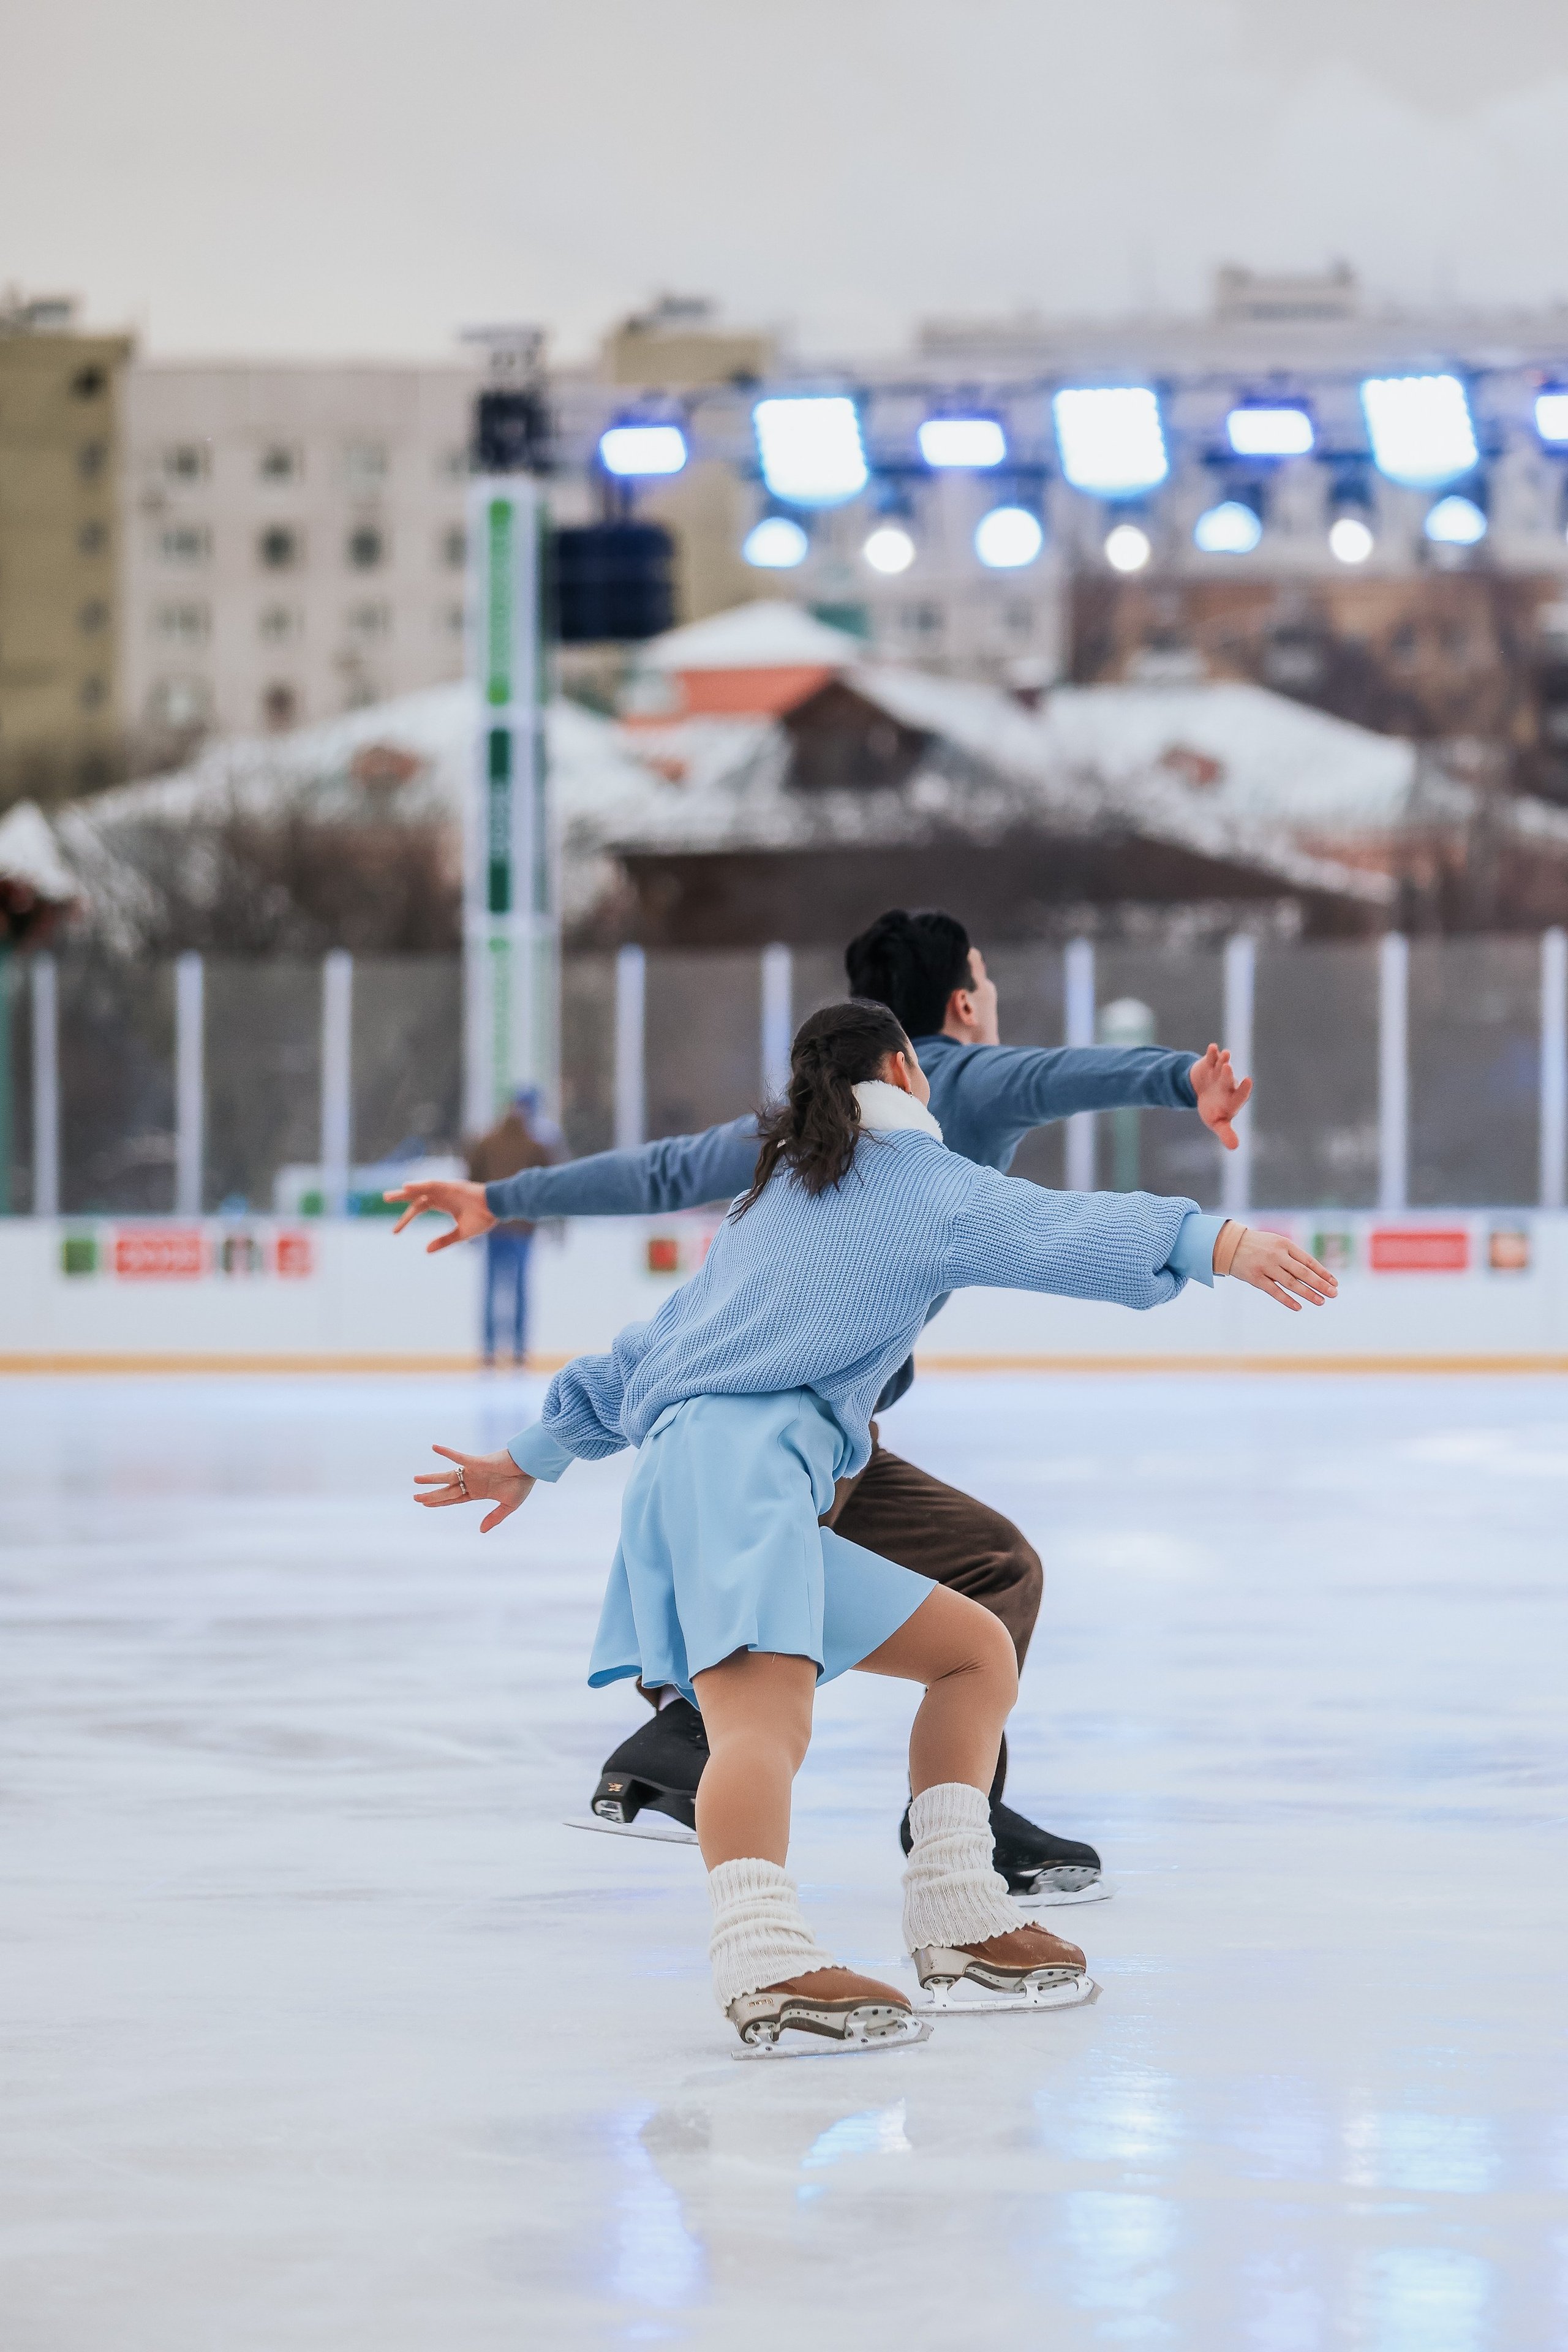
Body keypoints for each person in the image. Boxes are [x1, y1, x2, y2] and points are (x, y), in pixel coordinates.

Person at [412, 1001, 1335, 2052]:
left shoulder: (775, 1194)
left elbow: (649, 1346)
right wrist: (1214, 1240)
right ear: (904, 1066)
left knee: (974, 1653)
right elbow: (1050, 1227)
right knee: (763, 1724)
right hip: (742, 1471)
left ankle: (954, 1908)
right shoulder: (913, 1180)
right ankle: (762, 1957)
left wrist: (533, 1455)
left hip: (715, 1470)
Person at [463, 1088, 561, 1367]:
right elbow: (550, 1186)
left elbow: (471, 1185)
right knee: (517, 1291)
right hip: (520, 1230)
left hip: (495, 1228)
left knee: (494, 1290)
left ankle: (491, 1351)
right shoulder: (536, 1146)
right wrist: (554, 1223)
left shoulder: (487, 1142)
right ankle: (516, 1352)